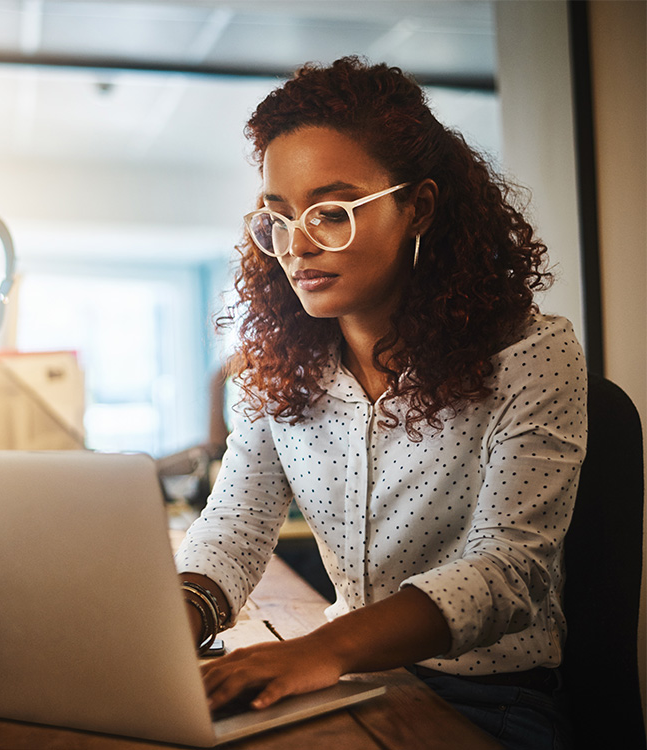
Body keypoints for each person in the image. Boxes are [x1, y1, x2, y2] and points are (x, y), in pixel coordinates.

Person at [175, 57, 586, 750]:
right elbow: (237, 527)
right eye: (277, 219)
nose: (297, 245)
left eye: (331, 212)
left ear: (418, 206)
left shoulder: (529, 355)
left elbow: (509, 569)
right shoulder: (277, 371)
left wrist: (321, 651)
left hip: (491, 701)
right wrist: (175, 619)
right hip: (357, 684)